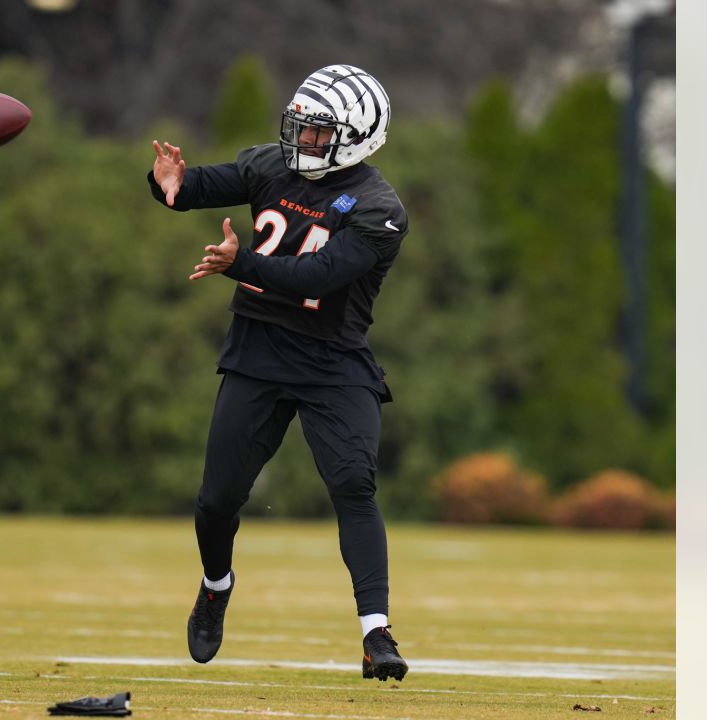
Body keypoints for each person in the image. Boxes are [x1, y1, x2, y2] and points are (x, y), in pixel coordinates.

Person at [148, 64, 409, 682]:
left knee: (354, 485)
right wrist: (169, 184)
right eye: (299, 127)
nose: (302, 143)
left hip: (332, 362)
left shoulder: (379, 210)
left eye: (317, 133)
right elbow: (196, 187)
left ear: (357, 135)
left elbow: (316, 278)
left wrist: (241, 265)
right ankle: (216, 585)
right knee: (216, 501)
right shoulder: (272, 166)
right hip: (258, 354)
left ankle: (377, 635)